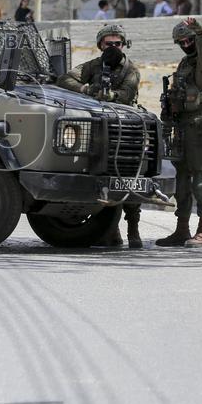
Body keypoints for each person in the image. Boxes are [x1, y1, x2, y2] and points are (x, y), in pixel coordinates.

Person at [56, 24, 143, 248]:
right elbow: (65, 79)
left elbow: (127, 94)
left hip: (125, 130)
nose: (113, 48)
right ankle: (110, 230)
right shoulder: (94, 66)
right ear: (100, 46)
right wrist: (86, 90)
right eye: (108, 44)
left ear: (124, 45)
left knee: (130, 179)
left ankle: (133, 228)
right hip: (98, 129)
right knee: (102, 177)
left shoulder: (130, 70)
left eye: (117, 44)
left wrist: (111, 95)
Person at [157, 17, 202, 248]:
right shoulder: (185, 64)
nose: (186, 45)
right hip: (182, 126)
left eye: (188, 40)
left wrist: (199, 31)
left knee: (200, 179)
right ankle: (181, 229)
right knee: (182, 180)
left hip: (200, 125)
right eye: (181, 42)